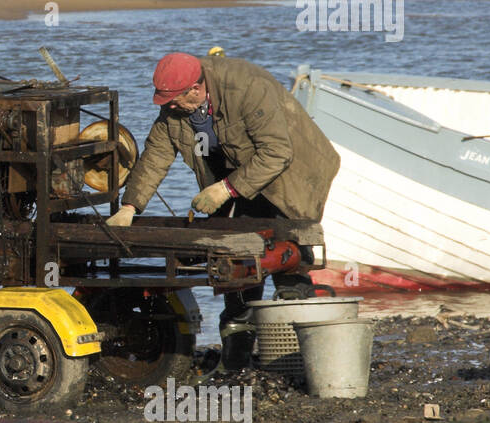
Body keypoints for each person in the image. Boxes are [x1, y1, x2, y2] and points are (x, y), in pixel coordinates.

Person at [108, 51, 340, 367]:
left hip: (289, 177)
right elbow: (156, 156)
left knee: (289, 267)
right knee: (238, 271)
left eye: (174, 100)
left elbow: (276, 152)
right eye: (166, 101)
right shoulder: (175, 110)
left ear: (195, 88)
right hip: (236, 182)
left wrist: (224, 189)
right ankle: (235, 366)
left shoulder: (247, 86)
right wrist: (130, 206)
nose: (169, 106)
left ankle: (313, 363)